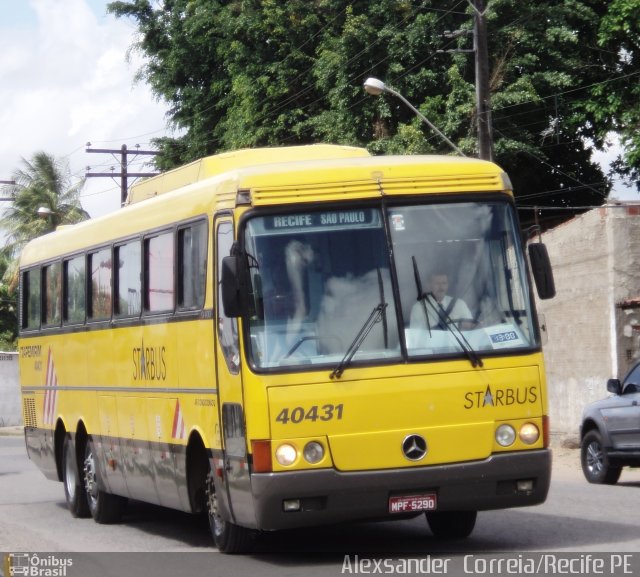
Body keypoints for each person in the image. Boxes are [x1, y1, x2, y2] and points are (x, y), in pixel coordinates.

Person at [409, 271, 475, 331]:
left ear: (448, 285)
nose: (441, 287)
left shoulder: (459, 304)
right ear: (430, 285)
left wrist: (471, 325)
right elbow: (416, 337)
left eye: (444, 283)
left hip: (458, 344)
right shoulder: (419, 308)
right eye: (437, 283)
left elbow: (470, 330)